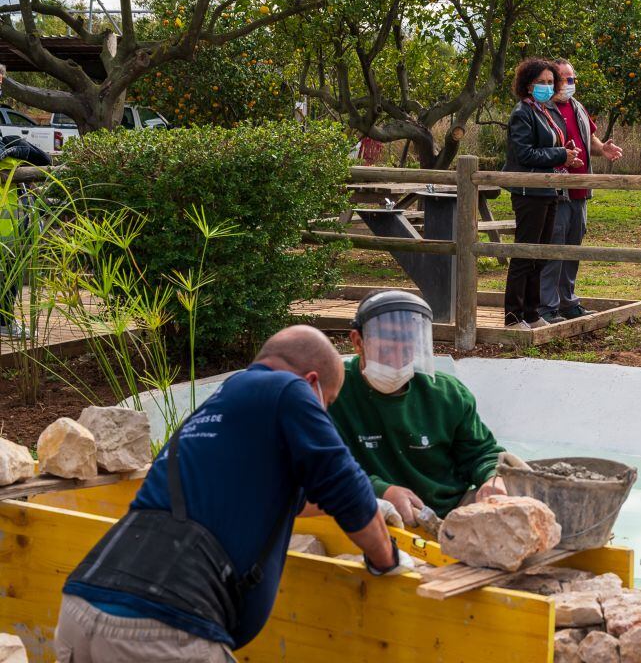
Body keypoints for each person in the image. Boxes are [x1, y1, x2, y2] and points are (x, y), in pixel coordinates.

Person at [55, 325, 410, 662]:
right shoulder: (289, 389)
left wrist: (376, 507)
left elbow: (295, 500)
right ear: (312, 383)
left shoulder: (217, 409)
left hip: (82, 608)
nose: (323, 412)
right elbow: (343, 484)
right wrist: (387, 559)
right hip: (161, 629)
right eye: (327, 403)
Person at [329, 290, 508, 525]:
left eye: (406, 349)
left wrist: (491, 479)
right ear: (358, 342)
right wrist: (379, 490)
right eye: (386, 349)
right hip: (370, 512)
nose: (396, 359)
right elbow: (319, 465)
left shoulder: (447, 394)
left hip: (450, 512)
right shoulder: (332, 391)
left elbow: (481, 452)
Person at [537, 58, 624, 324]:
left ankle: (568, 302)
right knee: (555, 246)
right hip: (556, 191)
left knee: (573, 247)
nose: (569, 84)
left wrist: (602, 148)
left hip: (580, 189)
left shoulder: (577, 106)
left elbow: (590, 138)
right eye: (563, 78)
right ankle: (546, 306)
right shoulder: (542, 109)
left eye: (572, 78)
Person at [502, 57, 584, 330]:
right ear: (527, 86)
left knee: (540, 254)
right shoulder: (522, 113)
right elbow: (525, 153)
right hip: (529, 191)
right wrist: (561, 154)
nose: (547, 87)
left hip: (548, 190)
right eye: (541, 83)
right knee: (525, 253)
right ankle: (513, 315)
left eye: (551, 82)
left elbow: (548, 146)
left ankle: (531, 312)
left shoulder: (545, 111)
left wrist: (566, 152)